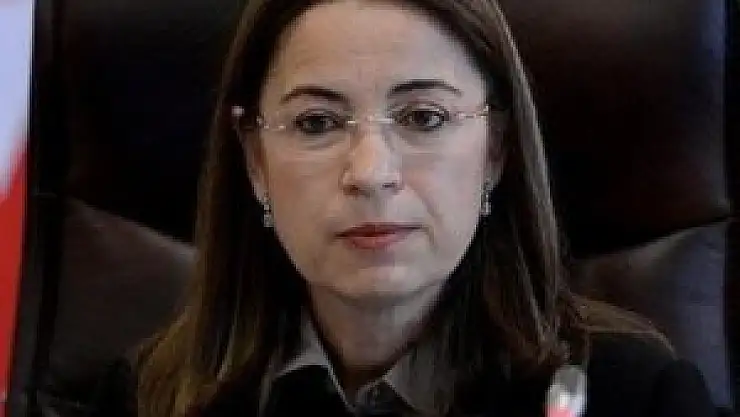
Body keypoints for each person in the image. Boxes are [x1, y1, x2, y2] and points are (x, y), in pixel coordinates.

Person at [91, 0, 718, 416]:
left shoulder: (635, 397)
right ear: (255, 160)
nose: (371, 173)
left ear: (495, 150)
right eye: (316, 122)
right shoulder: (148, 398)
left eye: (424, 117)